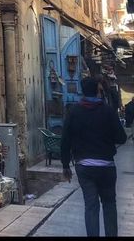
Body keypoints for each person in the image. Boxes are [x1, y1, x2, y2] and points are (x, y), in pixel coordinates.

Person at [61, 76, 127, 237]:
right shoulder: (108, 111)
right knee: (109, 204)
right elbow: (122, 138)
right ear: (98, 91)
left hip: (84, 167)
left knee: (91, 206)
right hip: (106, 167)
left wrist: (65, 166)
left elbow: (65, 140)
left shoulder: (74, 112)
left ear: (83, 92)